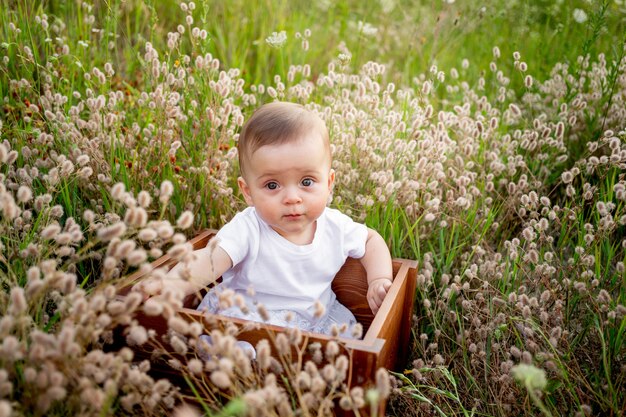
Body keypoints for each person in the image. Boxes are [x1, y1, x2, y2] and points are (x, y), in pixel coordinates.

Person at [163, 101, 393, 336]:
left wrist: (379, 278)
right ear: (248, 191)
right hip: (248, 317)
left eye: (306, 182)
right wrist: (170, 286)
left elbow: (369, 241)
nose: (292, 198)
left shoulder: (335, 226)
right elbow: (210, 260)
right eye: (272, 185)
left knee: (345, 345)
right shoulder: (248, 228)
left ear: (329, 182)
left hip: (315, 319)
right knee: (236, 349)